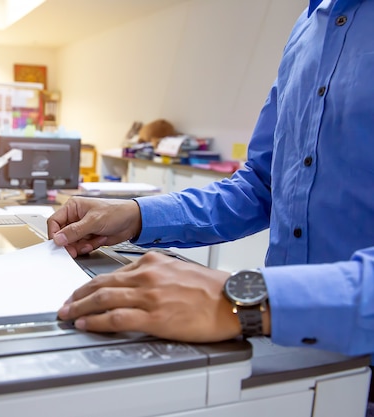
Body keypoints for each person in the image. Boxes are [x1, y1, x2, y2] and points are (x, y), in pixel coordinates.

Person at [48, 0, 374, 358]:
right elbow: (263, 185)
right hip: (288, 352)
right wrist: (137, 215)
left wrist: (252, 299)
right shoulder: (309, 27)